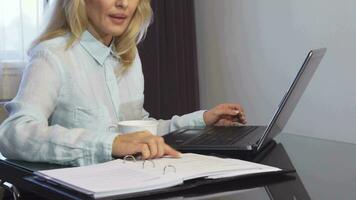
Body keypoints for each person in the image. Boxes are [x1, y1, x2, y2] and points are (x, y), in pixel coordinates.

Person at [0, 0, 246, 166]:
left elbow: (138, 135)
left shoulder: (129, 57)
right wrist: (111, 143)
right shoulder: (52, 55)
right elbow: (14, 134)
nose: (123, 3)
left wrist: (202, 121)